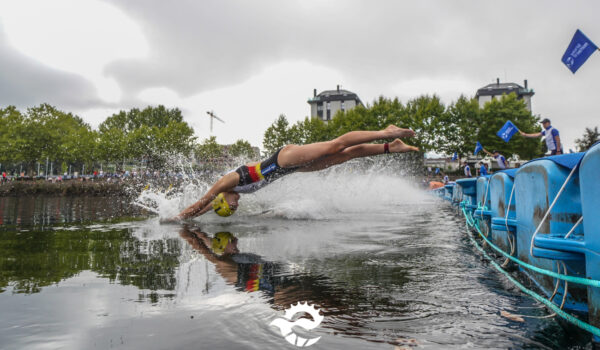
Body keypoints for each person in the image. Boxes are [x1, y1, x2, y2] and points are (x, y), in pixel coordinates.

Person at [171, 126, 418, 220]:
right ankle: (390, 147)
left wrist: (175, 219)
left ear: (223, 197)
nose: (234, 207)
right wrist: (189, 222)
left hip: (283, 159)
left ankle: (386, 132)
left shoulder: (228, 182)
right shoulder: (229, 194)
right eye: (231, 210)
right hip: (291, 170)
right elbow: (204, 209)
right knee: (345, 156)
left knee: (336, 145)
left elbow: (201, 201)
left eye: (230, 207)